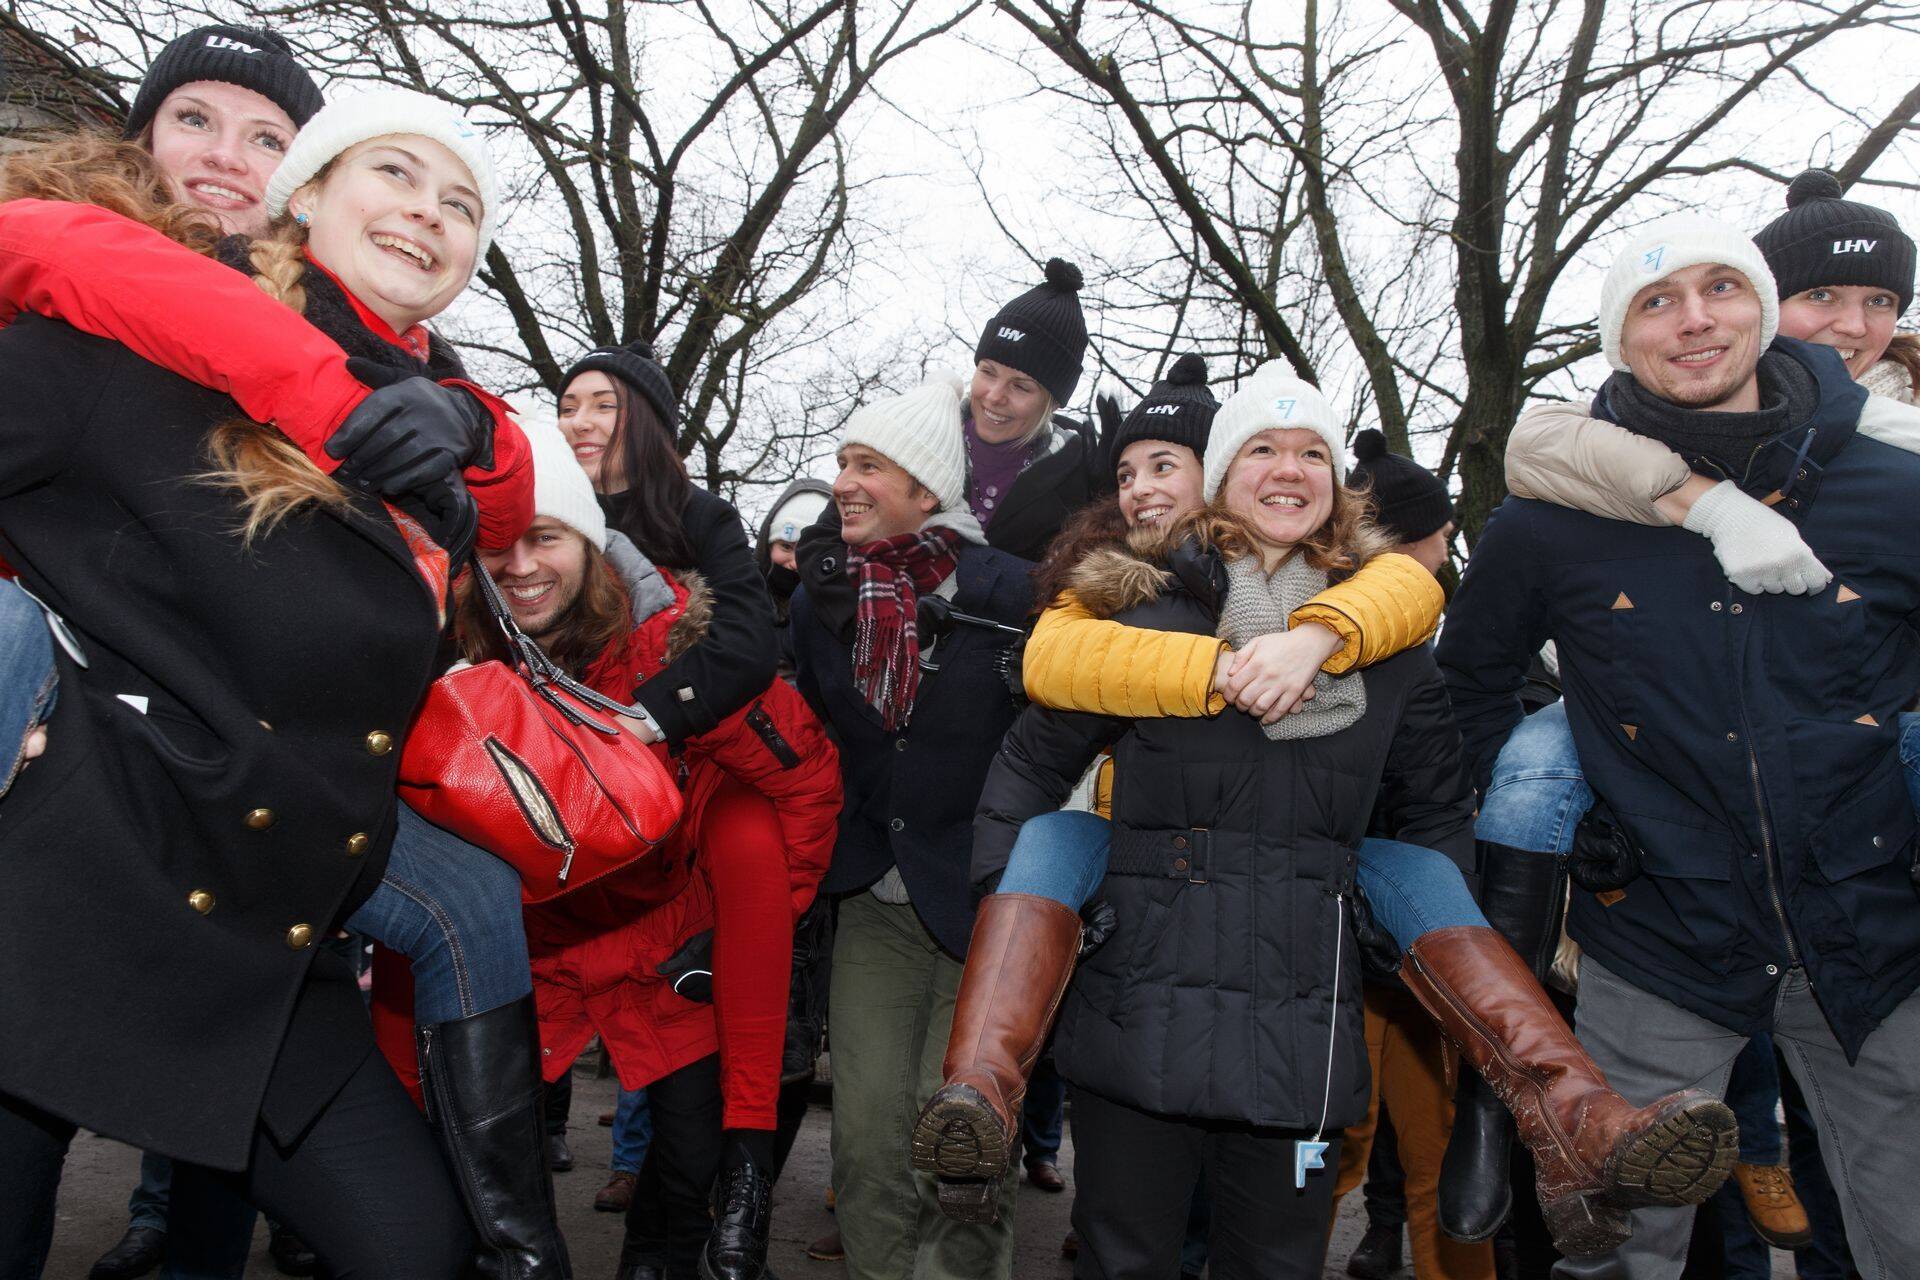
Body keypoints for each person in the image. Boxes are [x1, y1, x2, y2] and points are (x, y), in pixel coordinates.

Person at [957, 365, 1736, 1277]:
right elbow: (1029, 764)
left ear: (1335, 481)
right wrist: (1023, 904)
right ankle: (977, 1096)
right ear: (1221, 473)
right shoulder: (1142, 616)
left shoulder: (1388, 642)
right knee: (1123, 1262)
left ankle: (1580, 1122)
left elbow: (1435, 804)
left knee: (1278, 1267)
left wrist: (1388, 941)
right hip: (1141, 1007)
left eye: (1311, 454)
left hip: (1302, 1026)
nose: (1289, 470)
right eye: (1262, 450)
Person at [0, 94, 527, 1276]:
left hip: (256, 942)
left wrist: (461, 434)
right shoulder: (123, 345)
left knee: (415, 1248)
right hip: (58, 898)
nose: (428, 213)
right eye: (395, 173)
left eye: (461, 206)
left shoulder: (431, 456)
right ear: (305, 197)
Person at [1440, 214, 1920, 1280]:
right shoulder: (1549, 519)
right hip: (1657, 940)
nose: (1695, 320)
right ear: (1623, 337)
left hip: (1874, 937)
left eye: (1722, 288)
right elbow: (1468, 684)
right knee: (1619, 1254)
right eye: (1658, 302)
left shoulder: (1895, 491)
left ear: (1764, 307)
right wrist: (1576, 824)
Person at [454, 420, 838, 1280]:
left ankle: (682, 1238)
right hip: (528, 950)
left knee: (683, 1172)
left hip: (665, 945)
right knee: (474, 1171)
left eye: (546, 537)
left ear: (592, 546)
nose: (522, 565)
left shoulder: (669, 648)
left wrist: (742, 928)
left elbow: (804, 781)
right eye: (501, 543)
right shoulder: (458, 654)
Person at [789, 372, 1036, 1280]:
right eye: (842, 463)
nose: (844, 482)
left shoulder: (1014, 592)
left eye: (867, 466)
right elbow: (816, 735)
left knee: (961, 1145)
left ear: (926, 489)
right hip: (875, 899)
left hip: (990, 905)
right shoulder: (826, 598)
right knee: (865, 1140)